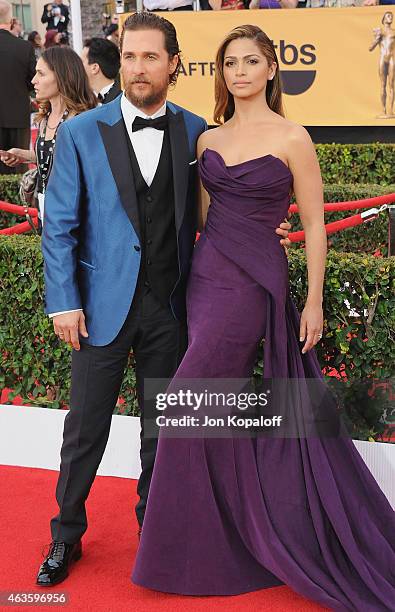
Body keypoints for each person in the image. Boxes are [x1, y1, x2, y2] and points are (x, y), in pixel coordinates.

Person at [131, 24, 395, 611]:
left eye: (251, 61)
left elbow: (315, 225)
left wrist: (316, 300)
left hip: (255, 284)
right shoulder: (208, 140)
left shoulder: (294, 137)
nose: (240, 72)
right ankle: (227, 527)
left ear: (272, 69)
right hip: (207, 277)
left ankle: (198, 545)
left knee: (188, 401)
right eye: (230, 64)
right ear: (221, 74)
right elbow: (202, 216)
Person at [35, 12, 292, 587]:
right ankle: (65, 535)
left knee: (162, 427)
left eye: (151, 57)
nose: (138, 67)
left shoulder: (194, 129)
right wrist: (63, 302)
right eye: (129, 56)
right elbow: (59, 227)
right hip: (99, 307)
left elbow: (222, 204)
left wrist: (265, 226)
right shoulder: (82, 131)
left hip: (172, 306)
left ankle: (157, 530)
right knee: (86, 428)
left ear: (175, 64)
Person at [0, 47, 96, 226]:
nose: (33, 80)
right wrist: (23, 155)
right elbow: (52, 156)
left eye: (41, 74)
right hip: (48, 210)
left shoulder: (82, 120)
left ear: (62, 76)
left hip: (76, 216)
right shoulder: (45, 117)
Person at [0, 0, 36, 175]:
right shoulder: (24, 47)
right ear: (12, 21)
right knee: (18, 167)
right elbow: (33, 81)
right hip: (18, 115)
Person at [81, 37, 121, 104]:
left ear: (95, 68)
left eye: (81, 61)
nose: (77, 66)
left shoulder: (121, 100)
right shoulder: (87, 101)